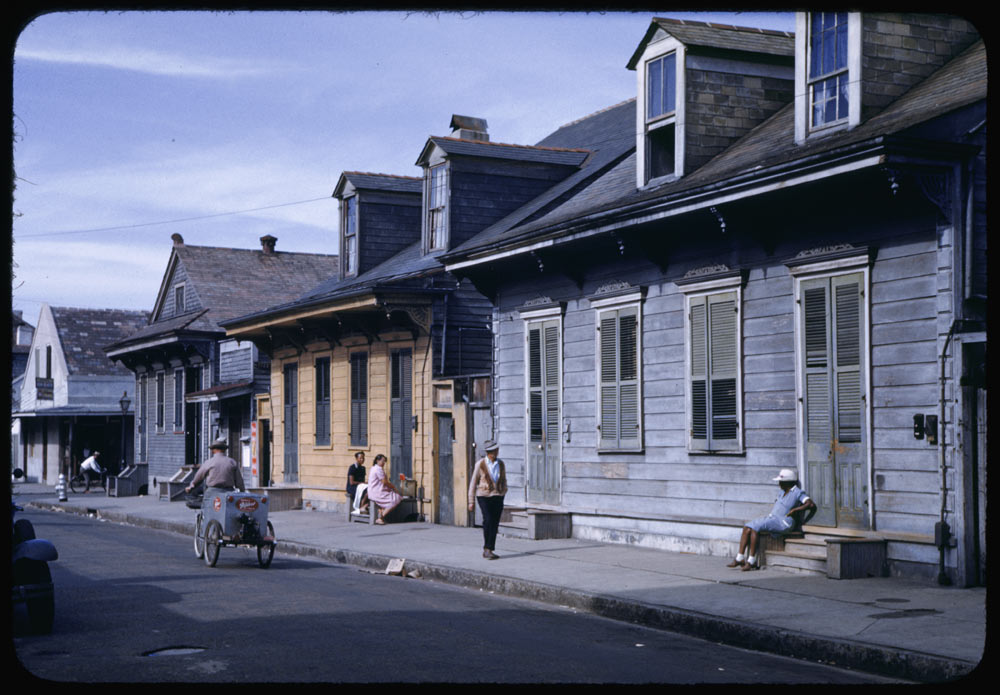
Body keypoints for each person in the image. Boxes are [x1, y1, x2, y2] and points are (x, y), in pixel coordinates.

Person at [728, 468, 816, 571]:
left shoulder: (797, 492)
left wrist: (796, 509)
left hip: (784, 522)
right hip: (773, 519)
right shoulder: (782, 492)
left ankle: (751, 561)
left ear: (788, 482)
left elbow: (810, 504)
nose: (779, 483)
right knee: (747, 527)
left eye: (781, 481)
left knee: (755, 527)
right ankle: (740, 558)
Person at [467, 440, 507, 560]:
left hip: (497, 496)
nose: (496, 453)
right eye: (494, 451)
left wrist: (504, 491)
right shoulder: (480, 464)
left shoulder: (501, 464)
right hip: (483, 496)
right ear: (489, 452)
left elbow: (504, 479)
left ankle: (490, 549)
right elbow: (473, 482)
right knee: (488, 519)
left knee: (494, 522)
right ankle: (486, 548)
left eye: (496, 450)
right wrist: (471, 501)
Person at [366, 454, 402, 525]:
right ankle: (381, 517)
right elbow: (384, 482)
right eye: (382, 461)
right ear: (377, 460)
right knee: (396, 498)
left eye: (384, 461)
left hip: (373, 491)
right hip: (377, 492)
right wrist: (394, 487)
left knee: (392, 495)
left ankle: (381, 512)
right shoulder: (378, 469)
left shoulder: (373, 468)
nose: (384, 463)